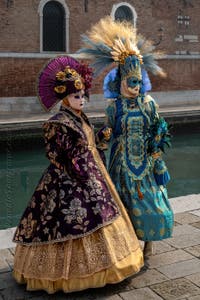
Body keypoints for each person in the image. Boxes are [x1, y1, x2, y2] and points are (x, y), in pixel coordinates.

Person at [12, 55, 144, 294]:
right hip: (69, 179)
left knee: (104, 214)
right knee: (68, 222)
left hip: (93, 173)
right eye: (76, 96)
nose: (81, 100)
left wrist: (102, 138)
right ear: (65, 99)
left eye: (83, 95)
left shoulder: (80, 117)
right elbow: (56, 155)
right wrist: (80, 165)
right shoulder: (57, 122)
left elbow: (90, 144)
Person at [78, 17, 174, 257]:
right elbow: (106, 135)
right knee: (123, 205)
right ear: (120, 82)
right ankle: (127, 246)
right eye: (131, 82)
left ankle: (148, 243)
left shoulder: (149, 104)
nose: (136, 87)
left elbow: (159, 128)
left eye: (138, 83)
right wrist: (102, 137)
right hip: (121, 164)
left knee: (151, 204)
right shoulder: (113, 107)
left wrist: (157, 153)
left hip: (146, 163)